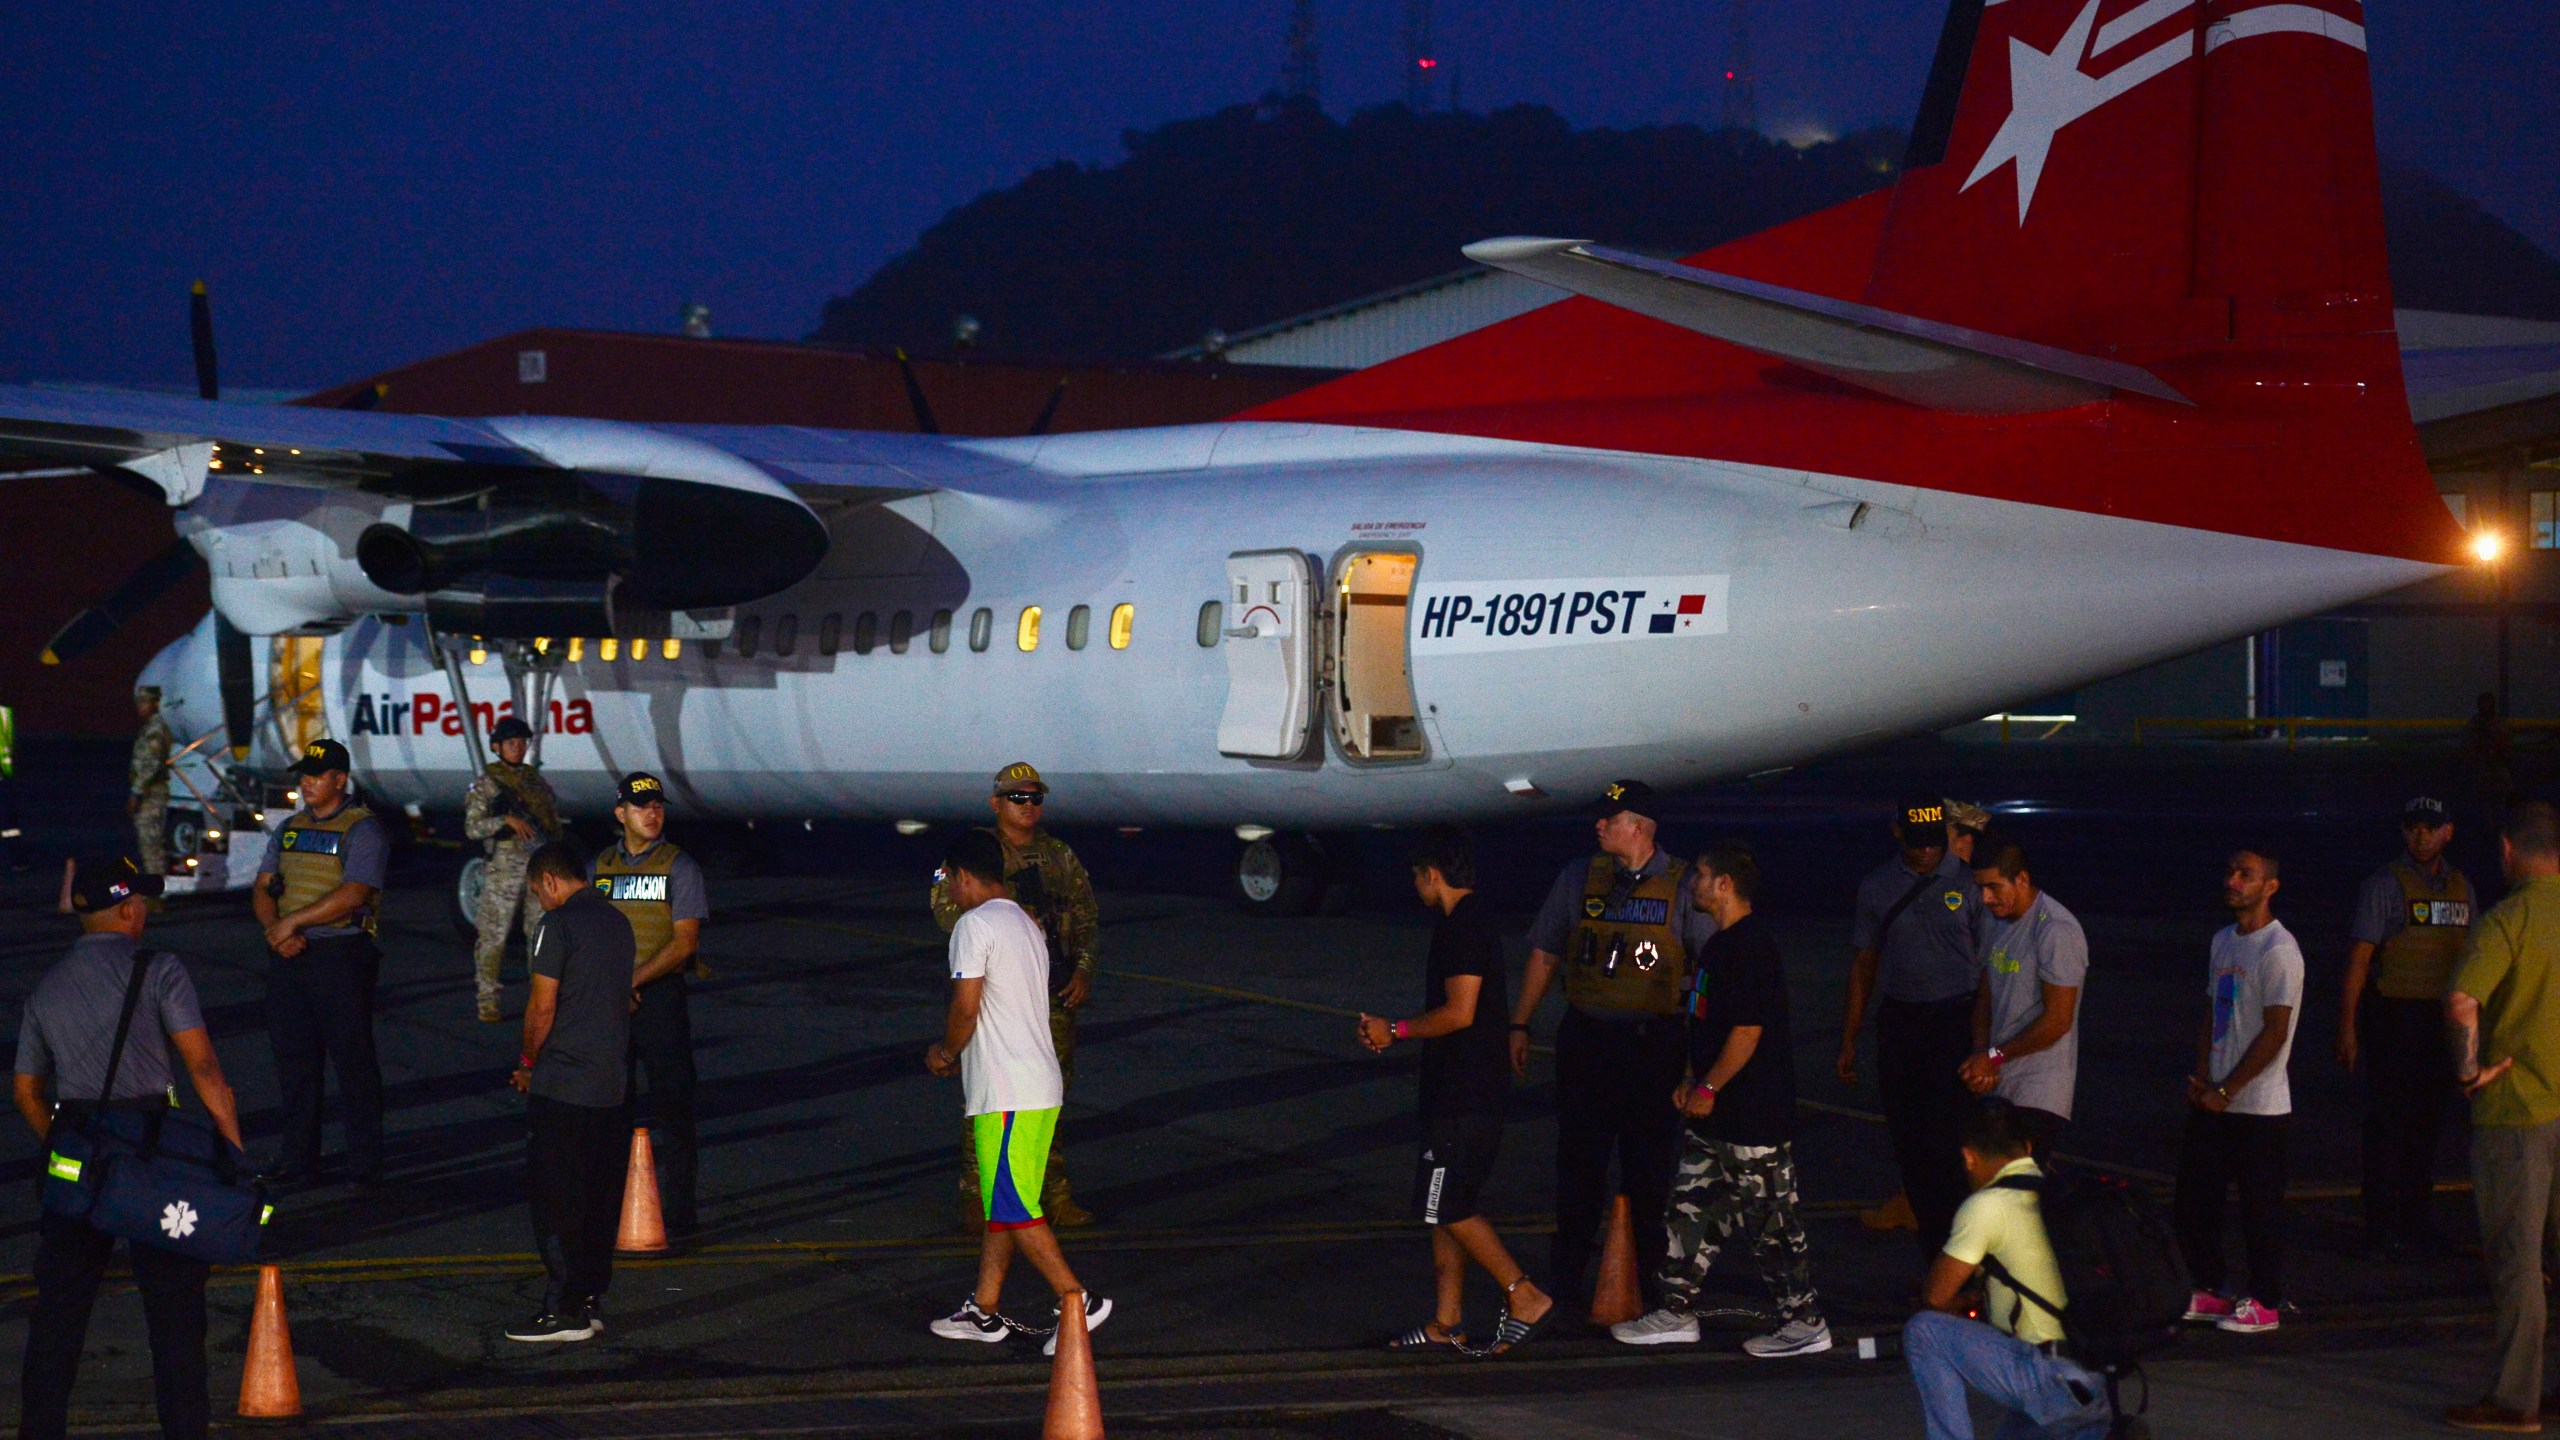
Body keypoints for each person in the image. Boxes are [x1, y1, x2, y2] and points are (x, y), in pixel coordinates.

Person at [15, 856, 243, 1440]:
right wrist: (231, 1159)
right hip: (149, 1151)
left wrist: (64, 1151)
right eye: (140, 900)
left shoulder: (47, 985)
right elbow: (205, 1068)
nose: (144, 910)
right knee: (173, 1312)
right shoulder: (159, 969)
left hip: (79, 1145)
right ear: (126, 909)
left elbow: (26, 1091)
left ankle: (42, 1429)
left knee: (60, 1311)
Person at [1612, 841, 1830, 1358]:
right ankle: (1676, 1310)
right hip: (1712, 1115)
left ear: (1725, 885)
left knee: (1771, 1222)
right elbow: (1706, 1022)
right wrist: (1692, 1078)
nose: (1693, 884)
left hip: (1754, 1116)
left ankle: (1805, 1322)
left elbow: (1747, 1032)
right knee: (1690, 1208)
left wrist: (1709, 1087)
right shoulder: (1715, 947)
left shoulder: (1751, 947)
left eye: (1702, 877)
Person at [1509, 779, 1717, 1319]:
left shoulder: (1685, 886)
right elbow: (1545, 951)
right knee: (1578, 1168)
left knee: (1648, 1173)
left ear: (1641, 828)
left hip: (1654, 1045)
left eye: (1611, 818)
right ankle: (1566, 1286)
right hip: (1589, 1041)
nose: (1599, 825)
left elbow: (1707, 974)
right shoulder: (1580, 877)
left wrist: (1698, 1062)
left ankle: (1651, 1291)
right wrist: (1520, 1022)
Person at [1359, 825, 1553, 1355]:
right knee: (1442, 1206)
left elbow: (1460, 1012)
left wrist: (1394, 1030)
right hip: (1458, 1092)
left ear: (1433, 875)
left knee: (1444, 1204)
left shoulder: (1461, 929)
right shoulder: (1467, 924)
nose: (1415, 886)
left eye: (1417, 876)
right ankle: (1447, 1321)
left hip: (1465, 1097)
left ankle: (1524, 1293)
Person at [925, 830, 1114, 1354]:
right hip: (1037, 1083)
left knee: (1011, 1202)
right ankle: (983, 1310)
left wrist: (945, 1052)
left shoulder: (974, 924)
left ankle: (1077, 1298)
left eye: (950, 882)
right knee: (1006, 1203)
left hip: (1007, 1090)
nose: (951, 894)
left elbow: (966, 1006)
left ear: (964, 876)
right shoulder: (1023, 922)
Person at [930, 762, 1100, 1232]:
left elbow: (1085, 917)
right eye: (1017, 798)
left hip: (1052, 993)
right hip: (997, 991)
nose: (1028, 806)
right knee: (987, 1101)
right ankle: (977, 1196)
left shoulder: (1059, 855)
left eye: (1035, 798)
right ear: (996, 803)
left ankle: (1052, 1195)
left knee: (1048, 1099)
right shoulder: (978, 855)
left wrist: (1083, 969)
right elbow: (947, 911)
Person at [2444, 802, 2560, 1432]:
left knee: (2519, 1258)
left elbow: (2463, 1001)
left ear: (2509, 849)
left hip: (2518, 1113)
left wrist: (2467, 1074)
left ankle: (2516, 1401)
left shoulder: (2509, 919)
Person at [1903, 1098, 2115, 1440]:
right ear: (2028, 1148)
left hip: (2046, 1378)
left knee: (1924, 1330)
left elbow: (1935, 1297)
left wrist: (1964, 1304)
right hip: (2094, 1379)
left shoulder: (1987, 1206)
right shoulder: (2060, 1194)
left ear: (1968, 1157)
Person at [1841, 796, 1989, 1257]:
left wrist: (1985, 1046)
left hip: (1954, 1022)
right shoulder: (1877, 887)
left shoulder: (1969, 885)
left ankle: (1964, 1256)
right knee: (1909, 1143)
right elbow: (1864, 964)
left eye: (1934, 843)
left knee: (1952, 1147)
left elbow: (1989, 973)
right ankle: (1934, 1257)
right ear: (1898, 834)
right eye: (1918, 843)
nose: (1928, 853)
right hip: (1902, 1022)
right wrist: (1849, 1039)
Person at [504, 843, 635, 1344]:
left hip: (565, 1084)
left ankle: (563, 1310)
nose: (540, 901)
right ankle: (588, 1299)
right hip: (610, 1085)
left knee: (556, 1199)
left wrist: (527, 1064)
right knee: (599, 1199)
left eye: (538, 892)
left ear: (550, 882)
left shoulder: (555, 926)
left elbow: (542, 1006)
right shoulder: (618, 923)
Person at [252, 738, 389, 1188]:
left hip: (341, 956)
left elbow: (354, 894)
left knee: (353, 1063)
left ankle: (364, 1165)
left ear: (340, 780)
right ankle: (299, 1159)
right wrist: (278, 934)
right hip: (291, 957)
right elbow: (262, 887)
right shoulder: (289, 828)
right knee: (295, 1063)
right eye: (303, 776)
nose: (306, 784)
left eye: (316, 776)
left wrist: (290, 924)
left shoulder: (363, 830)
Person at [2175, 847, 2301, 1336]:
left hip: (2259, 1107)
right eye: (2230, 871)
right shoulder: (2223, 941)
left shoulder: (2279, 951)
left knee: (2258, 1208)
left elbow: (2275, 1031)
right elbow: (2213, 1009)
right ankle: (2212, 1288)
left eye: (2245, 875)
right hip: (2217, 1099)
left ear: (2269, 887)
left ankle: (2266, 1302)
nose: (2233, 881)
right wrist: (2205, 1076)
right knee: (2194, 1198)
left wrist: (2229, 1089)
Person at [2340, 796, 2473, 1257]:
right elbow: (2359, 960)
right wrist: (2348, 1028)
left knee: (2426, 1124)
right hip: (2394, 1017)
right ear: (2403, 832)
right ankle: (2378, 1226)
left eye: (2430, 827)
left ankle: (2415, 1220)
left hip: (2437, 1021)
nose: (2421, 835)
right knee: (2387, 1125)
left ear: (2447, 833)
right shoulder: (2384, 885)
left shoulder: (2461, 887)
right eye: (2413, 827)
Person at [591, 772, 708, 1241]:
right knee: (609, 1109)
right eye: (641, 807)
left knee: (673, 1107)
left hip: (658, 996)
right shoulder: (598, 867)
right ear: (621, 814)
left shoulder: (679, 867)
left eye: (658, 805)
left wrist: (632, 981)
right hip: (612, 999)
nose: (652, 813)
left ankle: (679, 1216)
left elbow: (684, 944)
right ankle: (611, 1208)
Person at [1960, 837, 2087, 1162]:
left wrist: (1994, 1056)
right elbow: (1986, 994)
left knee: (2017, 1189)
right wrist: (1981, 1054)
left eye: (1994, 887)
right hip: (2001, 1078)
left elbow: (2058, 1021)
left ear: (2023, 879)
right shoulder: (1995, 922)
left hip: (2039, 1088)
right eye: (1980, 888)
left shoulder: (2056, 930)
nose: (1986, 898)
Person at [463, 715, 561, 1023]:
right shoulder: (488, 783)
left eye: (521, 742)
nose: (517, 748)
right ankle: (487, 998)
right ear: (497, 747)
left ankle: (542, 999)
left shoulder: (535, 782)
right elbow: (472, 828)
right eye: (510, 743)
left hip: (537, 864)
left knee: (541, 936)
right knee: (493, 935)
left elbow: (552, 822)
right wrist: (504, 821)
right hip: (504, 865)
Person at [127, 686, 174, 880]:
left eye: (144, 702)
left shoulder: (155, 730)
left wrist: (136, 793)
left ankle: (157, 891)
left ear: (155, 704)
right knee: (149, 842)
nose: (140, 707)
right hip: (150, 792)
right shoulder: (151, 727)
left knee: (151, 842)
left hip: (151, 793)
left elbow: (152, 764)